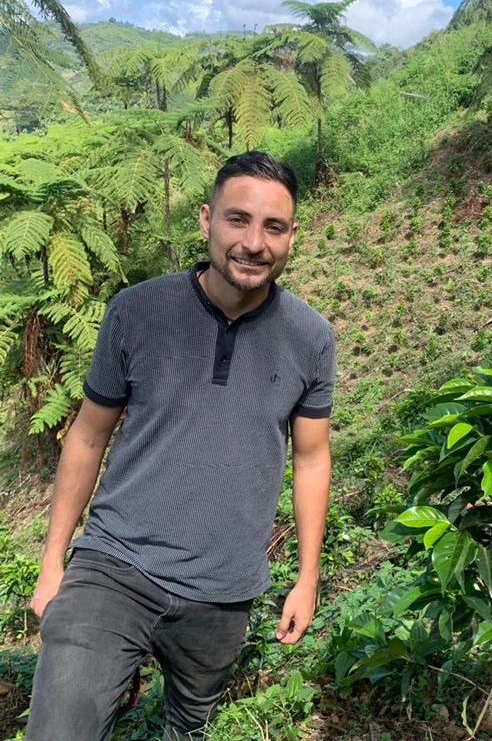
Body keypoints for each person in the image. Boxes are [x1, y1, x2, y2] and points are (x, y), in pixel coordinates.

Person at [25, 151, 335, 741]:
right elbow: (88, 435)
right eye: (237, 219)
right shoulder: (138, 311)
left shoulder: (310, 338)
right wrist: (51, 562)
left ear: (292, 235)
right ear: (206, 220)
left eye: (273, 227)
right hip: (115, 565)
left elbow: (311, 457)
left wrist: (307, 576)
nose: (254, 243)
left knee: (189, 726)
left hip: (224, 590)